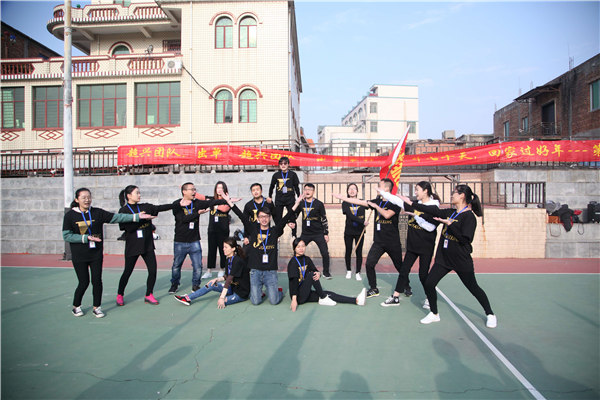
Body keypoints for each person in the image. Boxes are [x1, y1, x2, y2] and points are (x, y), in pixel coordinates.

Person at [397, 184, 497, 328]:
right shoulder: (451, 212)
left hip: (460, 259)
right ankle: (434, 313)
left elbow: (465, 240)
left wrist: (450, 225)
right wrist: (412, 205)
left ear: (462, 196)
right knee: (429, 283)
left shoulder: (469, 217)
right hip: (444, 258)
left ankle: (490, 314)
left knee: (473, 288)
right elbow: (433, 211)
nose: (452, 195)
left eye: (454, 193)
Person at [62, 187, 154, 318]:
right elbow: (67, 236)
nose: (87, 200)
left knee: (97, 281)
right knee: (84, 282)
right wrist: (85, 238)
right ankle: (76, 306)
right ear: (77, 200)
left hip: (96, 254)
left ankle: (97, 307)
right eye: (83, 198)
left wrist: (136, 216)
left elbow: (117, 217)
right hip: (80, 255)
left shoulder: (97, 213)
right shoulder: (70, 216)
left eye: (89, 197)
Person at [225, 192, 303, 305]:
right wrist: (229, 202)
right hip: (255, 271)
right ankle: (260, 292)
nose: (264, 219)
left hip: (270, 272)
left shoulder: (275, 231)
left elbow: (286, 217)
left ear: (270, 218)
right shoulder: (253, 230)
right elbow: (241, 216)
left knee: (274, 301)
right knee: (255, 301)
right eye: (261, 217)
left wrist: (297, 203)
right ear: (258, 218)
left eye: (266, 216)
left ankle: (278, 292)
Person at [334, 178, 403, 298]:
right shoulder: (377, 201)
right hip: (378, 242)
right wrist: (343, 198)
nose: (377, 187)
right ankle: (373, 288)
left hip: (392, 242)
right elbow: (360, 202)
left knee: (400, 267)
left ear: (386, 188)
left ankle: (406, 285)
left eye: (379, 186)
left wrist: (376, 206)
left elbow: (387, 215)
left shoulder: (395, 202)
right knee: (369, 264)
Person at [378, 181, 441, 307]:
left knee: (423, 274)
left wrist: (415, 214)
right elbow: (397, 201)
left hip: (426, 246)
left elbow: (430, 227)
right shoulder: (415, 204)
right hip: (412, 245)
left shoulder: (434, 207)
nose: (415, 192)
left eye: (417, 190)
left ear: (425, 191)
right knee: (404, 270)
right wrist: (383, 193)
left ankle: (429, 298)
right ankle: (395, 297)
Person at [115, 185, 175, 306]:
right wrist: (141, 219)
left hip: (147, 245)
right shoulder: (124, 211)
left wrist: (177, 204)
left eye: (139, 193)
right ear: (129, 196)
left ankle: (149, 294)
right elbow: (126, 228)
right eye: (137, 193)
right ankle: (120, 294)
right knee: (127, 272)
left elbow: (160, 208)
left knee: (153, 271)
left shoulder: (145, 207)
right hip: (133, 246)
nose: (139, 195)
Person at [168, 182, 228, 294]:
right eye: (192, 189)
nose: (194, 192)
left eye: (195, 189)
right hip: (180, 241)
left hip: (194, 240)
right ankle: (174, 284)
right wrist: (197, 214)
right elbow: (183, 219)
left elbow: (212, 202)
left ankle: (195, 285)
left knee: (198, 266)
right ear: (184, 191)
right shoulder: (176, 204)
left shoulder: (197, 203)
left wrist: (228, 200)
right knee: (176, 265)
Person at [288, 238, 366, 311]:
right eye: (298, 247)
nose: (301, 248)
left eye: (303, 246)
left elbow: (315, 270)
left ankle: (356, 300)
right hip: (298, 296)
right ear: (294, 248)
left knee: (329, 294)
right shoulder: (292, 263)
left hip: (306, 291)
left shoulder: (307, 259)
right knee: (312, 275)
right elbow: (293, 282)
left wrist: (318, 273)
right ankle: (323, 297)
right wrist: (294, 300)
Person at [174, 237, 250, 308]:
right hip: (233, 288)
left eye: (226, 247)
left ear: (233, 249)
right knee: (211, 284)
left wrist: (222, 297)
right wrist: (217, 279)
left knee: (221, 302)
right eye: (223, 247)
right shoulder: (228, 260)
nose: (223, 249)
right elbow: (227, 276)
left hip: (241, 293)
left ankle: (234, 296)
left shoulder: (237, 261)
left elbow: (229, 280)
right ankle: (188, 298)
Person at [295, 183, 332, 279]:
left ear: (313, 191)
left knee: (325, 253)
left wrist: (326, 233)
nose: (307, 191)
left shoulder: (319, 204)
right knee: (297, 250)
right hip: (305, 234)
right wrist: (291, 222)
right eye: (305, 189)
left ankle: (326, 272)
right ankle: (297, 270)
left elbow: (324, 219)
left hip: (318, 233)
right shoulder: (301, 203)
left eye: (309, 189)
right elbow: (295, 214)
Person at [201, 181, 232, 279]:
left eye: (221, 188)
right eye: (218, 188)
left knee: (223, 250)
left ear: (224, 189)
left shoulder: (227, 200)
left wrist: (214, 205)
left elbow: (224, 209)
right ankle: (209, 270)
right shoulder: (212, 199)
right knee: (211, 249)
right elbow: (201, 197)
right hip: (212, 229)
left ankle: (222, 269)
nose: (219, 190)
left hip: (223, 229)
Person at [268, 156, 300, 237]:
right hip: (279, 200)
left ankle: (294, 236)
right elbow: (271, 186)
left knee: (292, 218)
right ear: (279, 165)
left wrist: (299, 197)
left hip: (290, 199)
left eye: (285, 163)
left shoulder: (293, 174)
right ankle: (277, 235)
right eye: (281, 163)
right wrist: (270, 196)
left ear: (288, 164)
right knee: (278, 219)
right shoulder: (276, 175)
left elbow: (296, 187)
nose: (283, 165)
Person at [341, 183, 367, 281]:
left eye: (354, 189)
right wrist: (362, 222)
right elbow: (350, 215)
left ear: (357, 191)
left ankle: (358, 272)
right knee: (348, 250)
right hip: (349, 231)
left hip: (360, 231)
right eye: (350, 189)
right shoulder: (345, 203)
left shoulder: (362, 202)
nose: (352, 191)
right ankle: (348, 270)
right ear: (347, 191)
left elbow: (372, 205)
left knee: (359, 252)